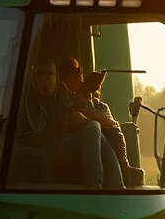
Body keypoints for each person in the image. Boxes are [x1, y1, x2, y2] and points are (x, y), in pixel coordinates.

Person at [18, 59, 123, 190]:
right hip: (44, 151)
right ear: (35, 77)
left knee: (95, 129)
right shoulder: (24, 100)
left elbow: (72, 117)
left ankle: (116, 186)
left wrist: (90, 121)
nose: (50, 80)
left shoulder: (60, 93)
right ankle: (98, 188)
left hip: (58, 146)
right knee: (94, 128)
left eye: (52, 75)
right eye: (45, 76)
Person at [60, 58, 146, 188]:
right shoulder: (67, 99)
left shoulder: (101, 106)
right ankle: (108, 184)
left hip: (99, 142)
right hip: (73, 150)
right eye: (77, 72)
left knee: (106, 132)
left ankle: (119, 179)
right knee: (95, 130)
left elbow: (112, 128)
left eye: (80, 72)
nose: (80, 76)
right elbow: (81, 121)